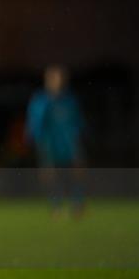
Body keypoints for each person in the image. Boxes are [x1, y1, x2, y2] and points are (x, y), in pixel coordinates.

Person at [25, 65, 86, 218]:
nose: (57, 81)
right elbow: (35, 124)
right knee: (51, 177)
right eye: (53, 78)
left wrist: (79, 142)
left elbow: (78, 123)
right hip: (49, 146)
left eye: (59, 77)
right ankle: (56, 207)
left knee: (76, 174)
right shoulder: (41, 101)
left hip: (69, 145)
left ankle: (77, 205)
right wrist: (35, 141)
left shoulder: (70, 100)